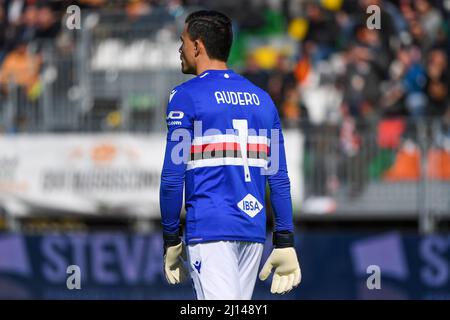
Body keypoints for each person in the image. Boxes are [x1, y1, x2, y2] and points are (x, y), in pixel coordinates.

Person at [159, 10, 301, 300]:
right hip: (252, 230)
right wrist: (284, 239)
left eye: (182, 40)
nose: (180, 48)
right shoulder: (263, 99)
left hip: (210, 228)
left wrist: (172, 238)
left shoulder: (185, 96)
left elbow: (172, 178)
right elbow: (279, 177)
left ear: (197, 46)